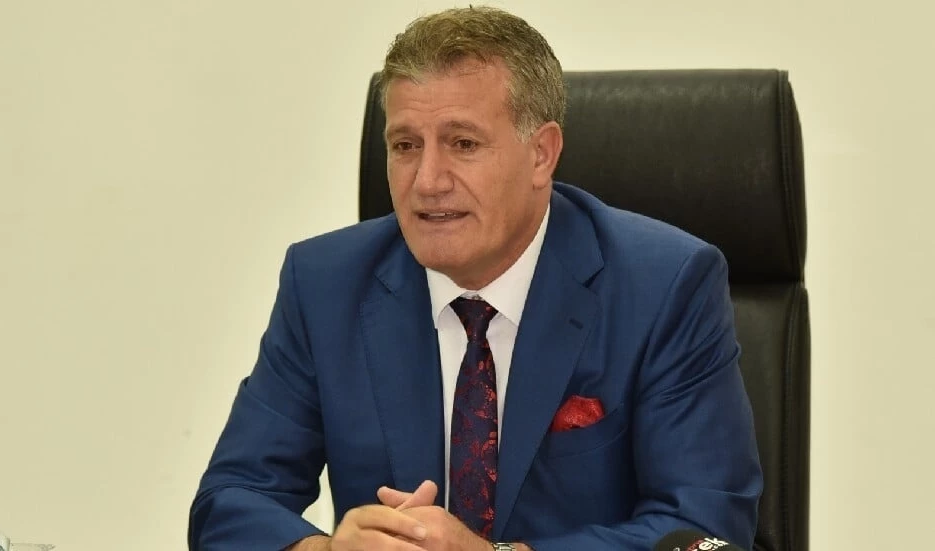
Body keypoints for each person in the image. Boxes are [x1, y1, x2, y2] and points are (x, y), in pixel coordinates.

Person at [189, 6, 762, 551]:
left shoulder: (664, 286)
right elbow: (230, 502)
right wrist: (326, 548)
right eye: (405, 146)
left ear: (541, 155)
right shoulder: (326, 285)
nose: (427, 181)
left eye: (462, 144)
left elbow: (704, 529)